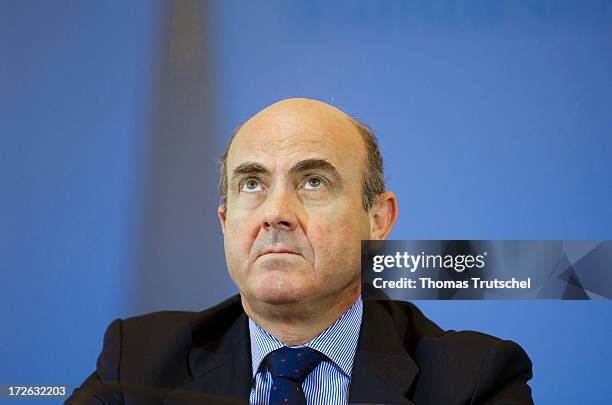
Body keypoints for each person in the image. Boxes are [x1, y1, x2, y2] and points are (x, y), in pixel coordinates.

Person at [67, 98, 533, 404]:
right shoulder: (138, 365)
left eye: (314, 181)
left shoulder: (472, 380)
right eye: (252, 183)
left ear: (378, 220)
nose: (276, 213)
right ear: (226, 222)